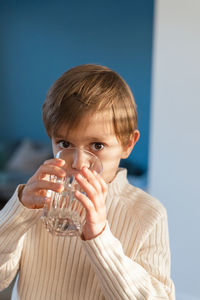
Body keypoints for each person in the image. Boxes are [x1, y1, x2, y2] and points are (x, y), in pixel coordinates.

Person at [0, 64, 175, 299]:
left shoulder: (148, 215)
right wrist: (17, 211)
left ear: (128, 144)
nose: (79, 163)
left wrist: (99, 237)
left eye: (97, 146)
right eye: (64, 144)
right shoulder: (35, 204)